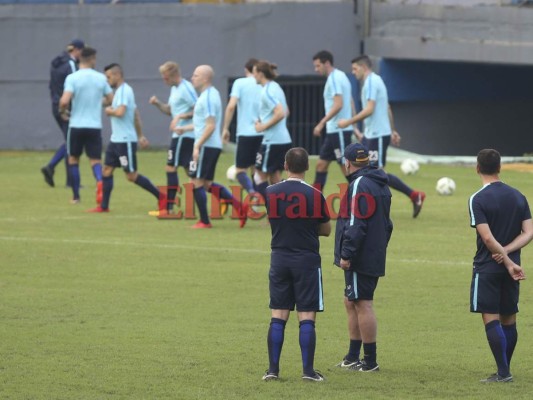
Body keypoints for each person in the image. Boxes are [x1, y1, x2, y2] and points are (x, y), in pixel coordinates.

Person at [262, 147, 331, 382]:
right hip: (306, 260)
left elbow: (273, 222)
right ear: (307, 167)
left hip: (279, 258)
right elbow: (326, 230)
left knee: (278, 315)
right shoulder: (316, 195)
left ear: (285, 165)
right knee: (307, 316)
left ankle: (272, 370)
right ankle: (308, 372)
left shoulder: (270, 192)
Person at [468, 149, 532, 383]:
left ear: (477, 168)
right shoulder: (518, 196)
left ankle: (503, 372)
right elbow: (529, 232)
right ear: (500, 167)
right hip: (514, 267)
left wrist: (502, 256)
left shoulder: (478, 198)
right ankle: (504, 369)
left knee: (491, 318)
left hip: (488, 267)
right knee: (509, 318)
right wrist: (510, 257)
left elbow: (487, 238)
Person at [338, 55, 426, 218]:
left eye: (355, 69)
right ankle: (363, 205)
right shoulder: (375, 81)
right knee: (367, 170)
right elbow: (386, 106)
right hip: (372, 134)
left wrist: (349, 122)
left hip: (377, 135)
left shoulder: (371, 81)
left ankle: (409, 196)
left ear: (363, 67)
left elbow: (370, 109)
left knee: (375, 172)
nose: (353, 72)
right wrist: (392, 130)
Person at [334, 142, 393, 372]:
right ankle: (352, 356)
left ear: (347, 163)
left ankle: (369, 361)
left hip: (360, 255)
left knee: (362, 303)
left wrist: (347, 253)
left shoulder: (359, 184)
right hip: (372, 252)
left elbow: (356, 223)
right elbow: (387, 223)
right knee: (351, 301)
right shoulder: (380, 183)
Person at [175, 65, 247, 229]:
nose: (192, 77)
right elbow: (203, 124)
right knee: (206, 184)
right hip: (209, 145)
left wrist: (197, 146)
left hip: (206, 146)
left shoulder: (208, 97)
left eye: (196, 75)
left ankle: (205, 221)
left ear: (205, 78)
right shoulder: (210, 95)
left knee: (195, 182)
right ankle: (240, 207)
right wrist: (185, 129)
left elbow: (211, 126)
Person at [87, 63, 161, 213]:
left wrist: (109, 111)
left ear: (117, 75)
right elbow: (135, 115)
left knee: (131, 175)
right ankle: (104, 207)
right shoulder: (121, 91)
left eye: (108, 77)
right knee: (106, 170)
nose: (107, 81)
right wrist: (140, 135)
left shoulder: (124, 91)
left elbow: (120, 112)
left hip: (125, 141)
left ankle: (162, 197)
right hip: (116, 140)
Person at [59, 46, 113, 204]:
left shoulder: (73, 78)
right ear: (92, 59)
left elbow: (64, 101)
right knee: (95, 160)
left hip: (76, 124)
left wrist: (62, 111)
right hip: (94, 126)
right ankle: (99, 181)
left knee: (73, 159)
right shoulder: (100, 78)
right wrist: (97, 103)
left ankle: (76, 197)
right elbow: (111, 99)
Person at [148, 61, 197, 216]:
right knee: (192, 174)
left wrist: (182, 116)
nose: (164, 81)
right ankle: (222, 197)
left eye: (165, 77)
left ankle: (168, 208)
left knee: (171, 168)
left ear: (173, 75)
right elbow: (170, 111)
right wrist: (157, 104)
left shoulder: (186, 88)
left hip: (185, 135)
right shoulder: (175, 89)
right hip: (179, 134)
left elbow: (199, 110)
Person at [41, 39, 85, 188]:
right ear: (77, 50)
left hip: (55, 105)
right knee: (71, 142)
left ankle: (69, 180)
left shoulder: (57, 63)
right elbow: (75, 84)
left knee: (70, 141)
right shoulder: (71, 65)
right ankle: (51, 167)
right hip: (66, 106)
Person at [311, 50, 355, 191]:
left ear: (327, 63)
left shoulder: (335, 78)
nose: (316, 69)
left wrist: (321, 123)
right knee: (321, 165)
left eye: (318, 66)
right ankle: (315, 204)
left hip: (339, 131)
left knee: (346, 168)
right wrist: (355, 126)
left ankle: (365, 198)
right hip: (334, 131)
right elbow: (350, 101)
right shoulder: (341, 76)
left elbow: (339, 104)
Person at [252, 60, 293, 201]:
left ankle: (277, 210)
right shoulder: (276, 87)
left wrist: (262, 126)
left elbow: (280, 112)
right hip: (283, 140)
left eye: (254, 73)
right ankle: (287, 210)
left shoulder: (266, 91)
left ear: (261, 74)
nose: (253, 76)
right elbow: (286, 111)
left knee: (258, 175)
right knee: (275, 177)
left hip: (272, 141)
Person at [222, 58, 262, 196]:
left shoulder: (240, 83)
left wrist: (225, 128)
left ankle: (252, 192)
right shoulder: (264, 84)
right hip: (262, 132)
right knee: (256, 170)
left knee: (240, 171)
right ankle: (257, 203)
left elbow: (231, 106)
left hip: (245, 134)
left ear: (246, 70)